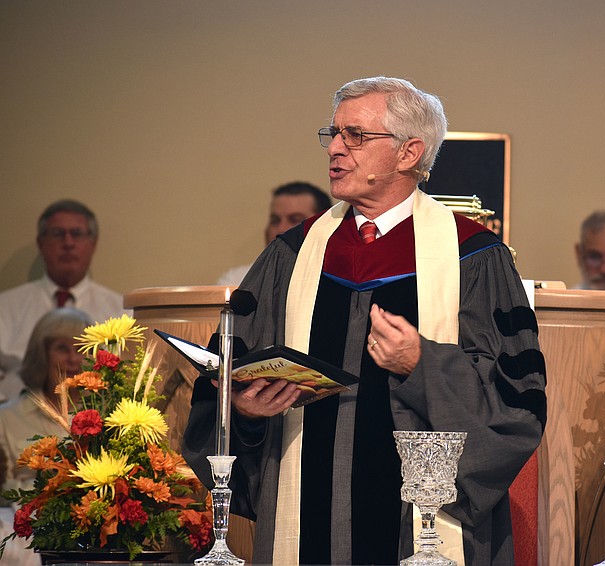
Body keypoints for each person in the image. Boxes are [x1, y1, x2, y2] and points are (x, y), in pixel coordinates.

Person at [184, 77, 547, 566]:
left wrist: (424, 364)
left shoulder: (473, 257)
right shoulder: (293, 254)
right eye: (332, 134)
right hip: (303, 508)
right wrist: (243, 411)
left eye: (355, 135)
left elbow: (515, 405)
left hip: (422, 524)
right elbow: (230, 372)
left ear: (409, 152)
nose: (335, 148)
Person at [0, 200, 126, 402]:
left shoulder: (121, 312)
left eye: (77, 234)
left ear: (93, 243)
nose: (68, 243)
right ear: (41, 243)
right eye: (58, 234)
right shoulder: (5, 307)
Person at [0, 308, 91, 566]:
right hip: (24, 541)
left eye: (80, 349)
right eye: (62, 348)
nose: (73, 359)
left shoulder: (105, 415)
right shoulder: (6, 417)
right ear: (41, 354)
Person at [217, 182, 332, 286]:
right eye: (275, 220)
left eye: (295, 220)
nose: (281, 229)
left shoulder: (337, 279)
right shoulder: (237, 281)